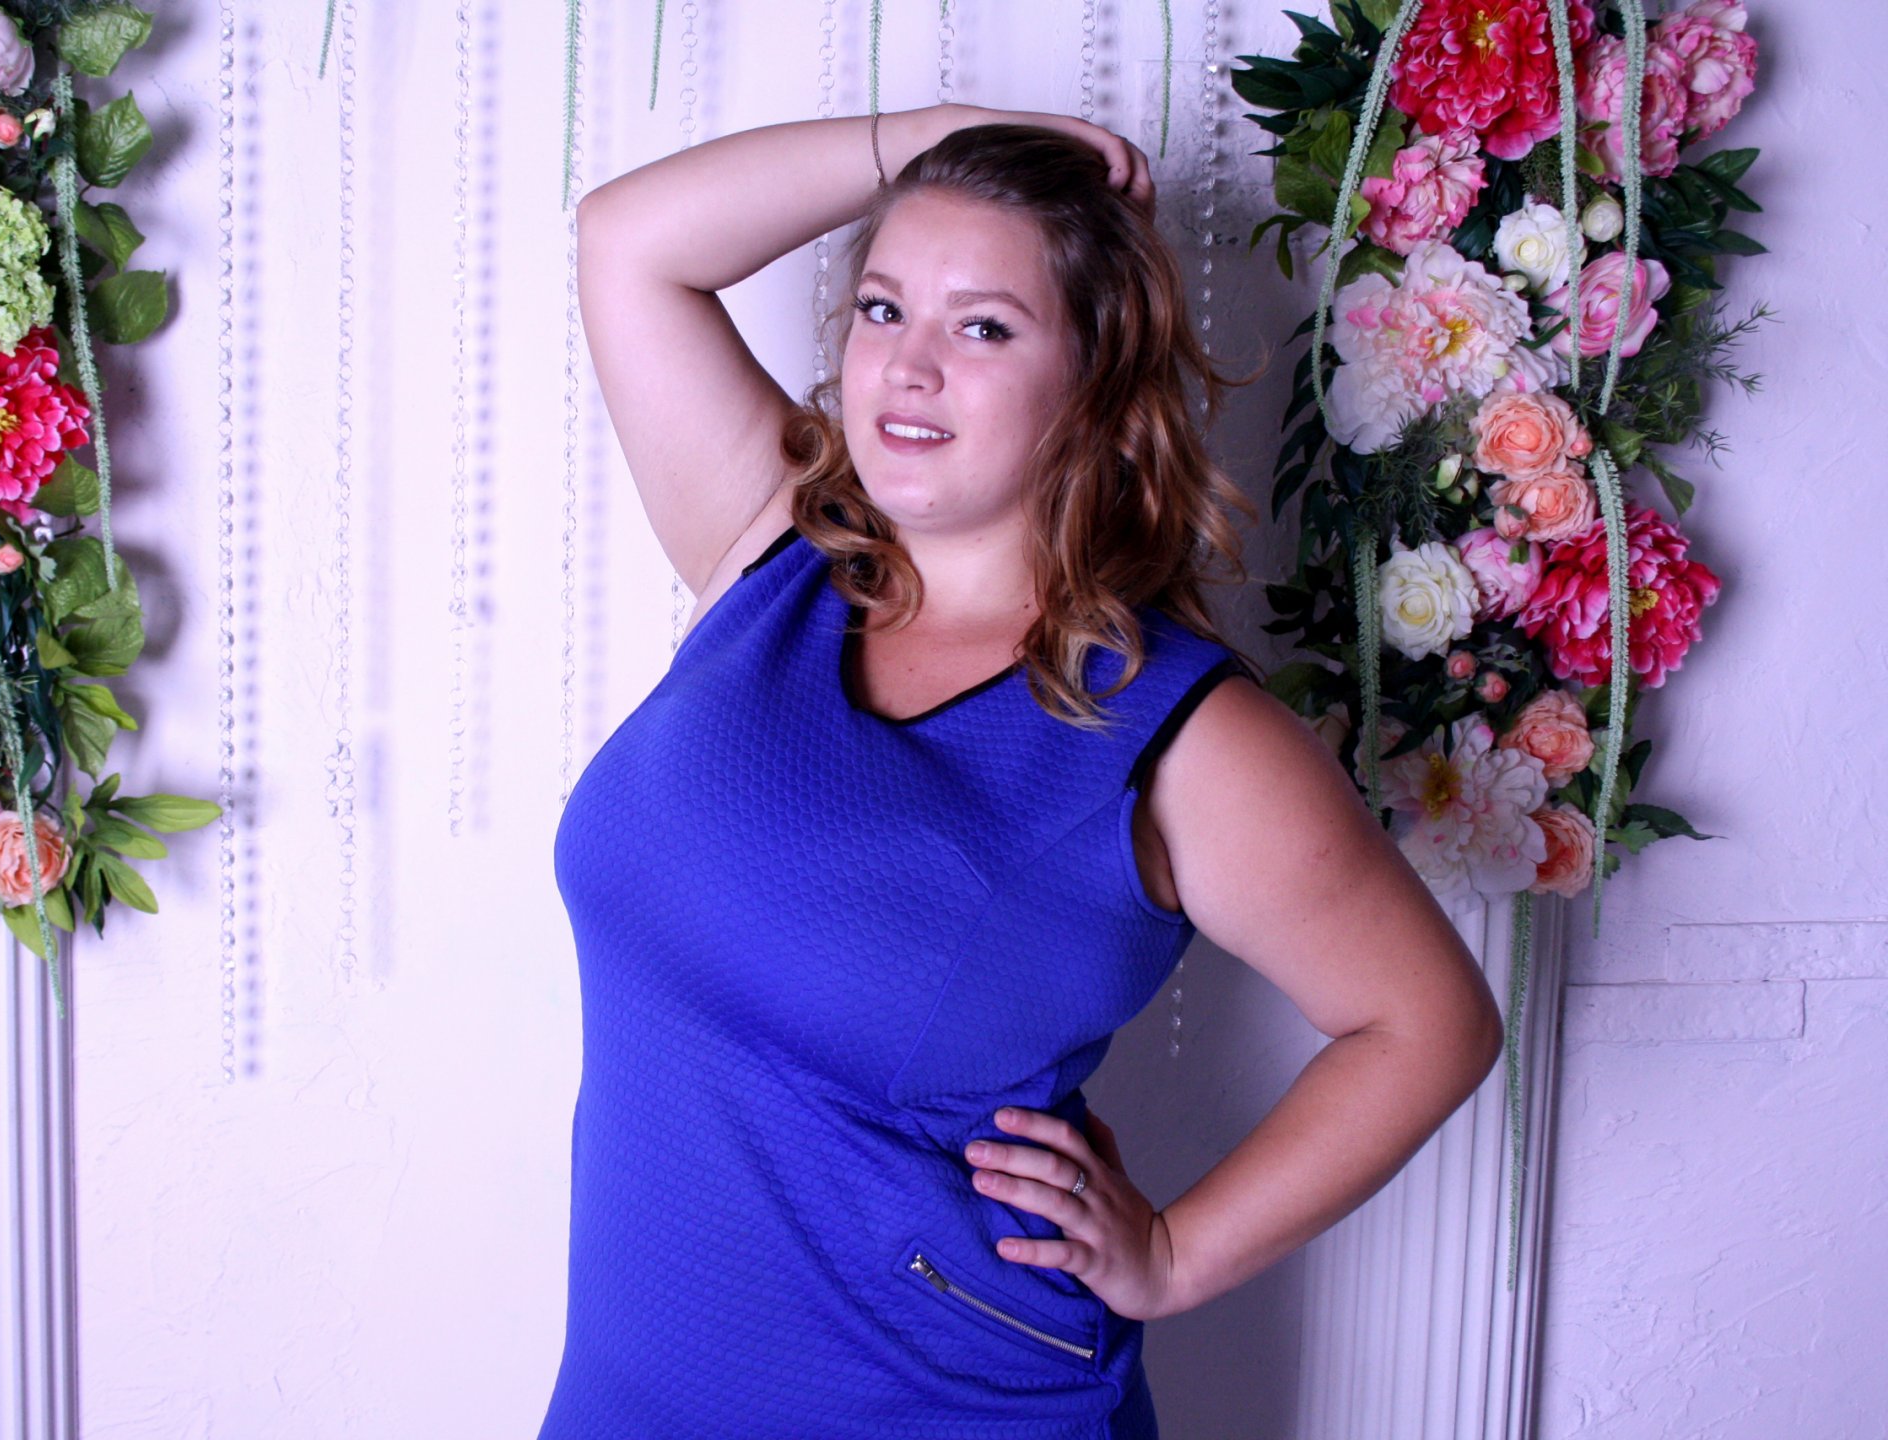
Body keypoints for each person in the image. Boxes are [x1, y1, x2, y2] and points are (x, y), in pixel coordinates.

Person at [542, 101, 1504, 1439]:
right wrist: (941, 135)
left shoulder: (1179, 734)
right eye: (883, 309)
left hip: (949, 1407)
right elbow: (628, 240)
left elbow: (1429, 1023)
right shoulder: (769, 559)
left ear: (1098, 384)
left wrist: (1175, 1255)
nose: (910, 366)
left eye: (984, 327)